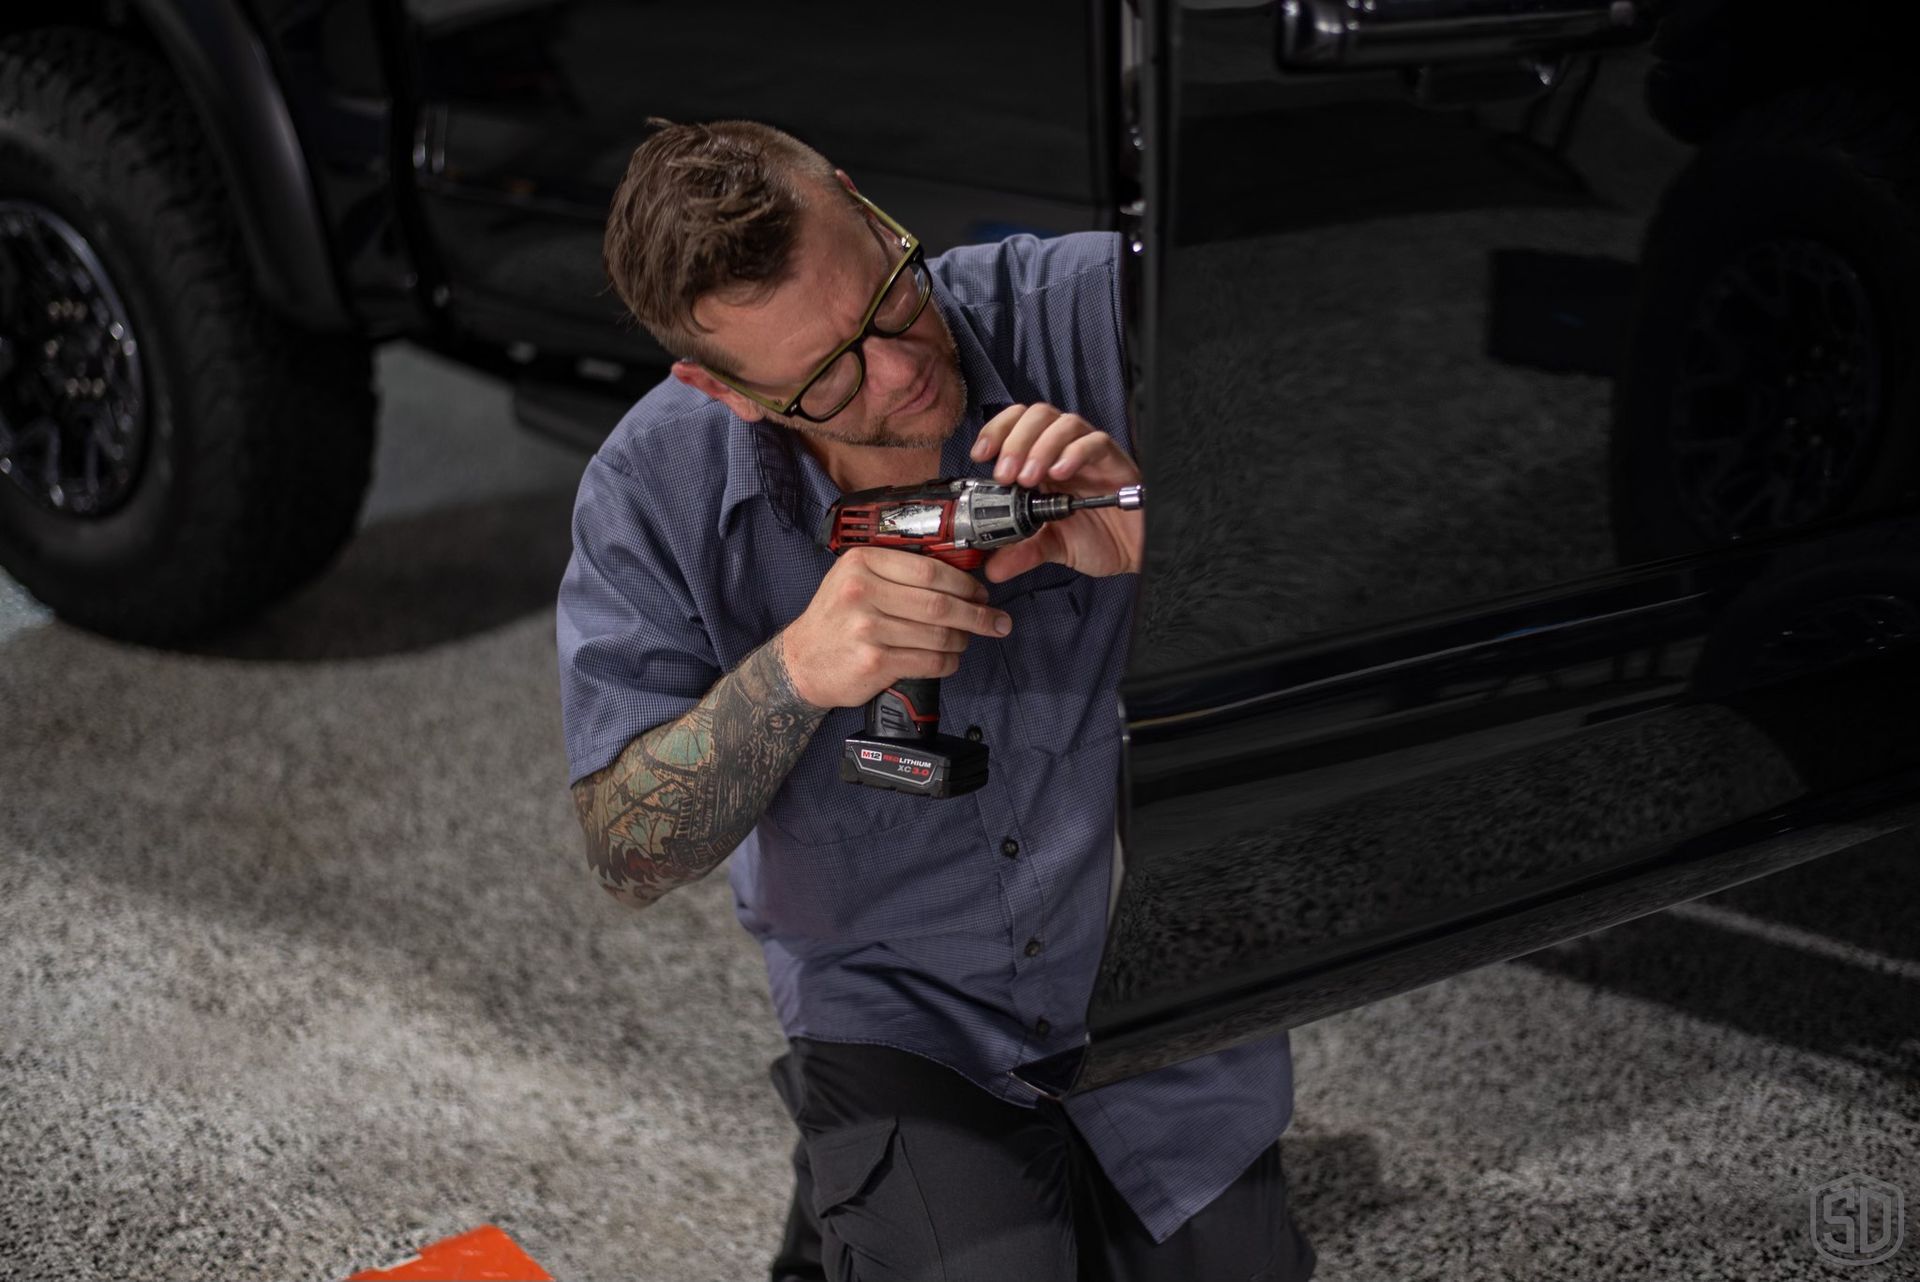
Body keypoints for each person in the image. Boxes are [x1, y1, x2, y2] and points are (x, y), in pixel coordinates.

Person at [557, 118, 1315, 1282]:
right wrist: (796, 670)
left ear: (864, 207)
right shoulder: (647, 489)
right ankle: (874, 1155)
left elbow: (1380, 472)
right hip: (896, 999)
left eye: (890, 298)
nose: (906, 370)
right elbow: (625, 849)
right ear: (724, 391)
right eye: (830, 377)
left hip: (1139, 971)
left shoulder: (1088, 309)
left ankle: (869, 1192)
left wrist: (1165, 529)